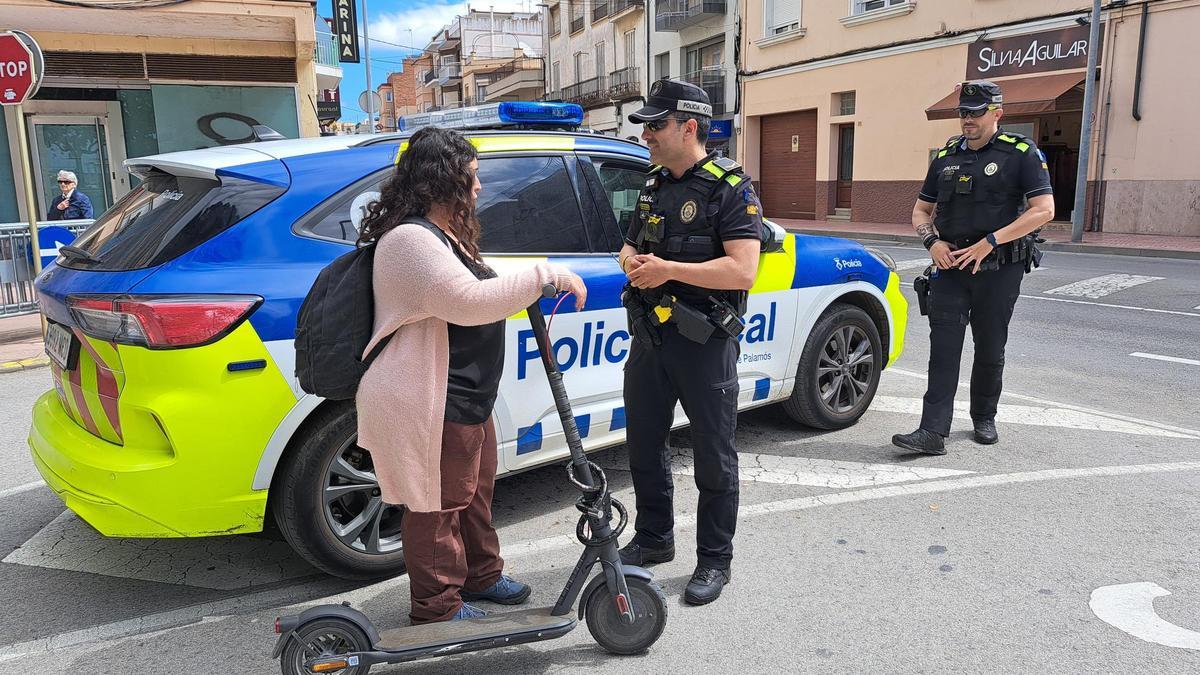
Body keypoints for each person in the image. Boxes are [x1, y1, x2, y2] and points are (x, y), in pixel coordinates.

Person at [354, 126, 588, 623]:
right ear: (443, 180)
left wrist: (529, 276)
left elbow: (476, 281)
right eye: (472, 177)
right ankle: (436, 607)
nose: (479, 188)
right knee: (436, 504)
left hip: (464, 396)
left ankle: (481, 577)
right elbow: (469, 301)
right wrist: (546, 275)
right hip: (430, 398)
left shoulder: (443, 237)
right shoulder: (409, 241)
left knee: (472, 494)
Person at [617, 79, 763, 605]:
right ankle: (655, 538)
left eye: (656, 126)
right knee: (643, 446)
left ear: (689, 127)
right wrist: (632, 262)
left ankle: (714, 561)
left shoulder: (731, 189)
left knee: (713, 456)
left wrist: (667, 270)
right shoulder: (654, 184)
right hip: (651, 337)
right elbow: (628, 247)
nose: (647, 134)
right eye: (647, 126)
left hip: (704, 342)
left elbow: (744, 270)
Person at [892, 80, 1055, 456]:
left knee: (989, 347)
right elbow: (921, 210)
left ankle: (984, 415)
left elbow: (1043, 210)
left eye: (975, 112)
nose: (967, 119)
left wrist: (991, 241)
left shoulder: (1021, 154)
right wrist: (932, 243)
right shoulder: (947, 157)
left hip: (999, 268)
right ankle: (931, 432)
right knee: (943, 350)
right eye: (963, 112)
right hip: (950, 269)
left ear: (997, 112)